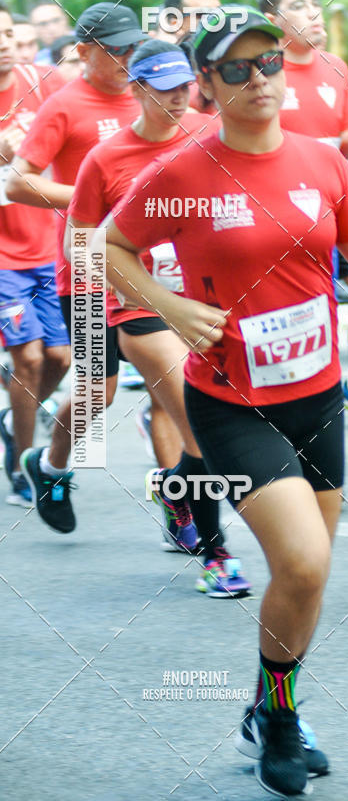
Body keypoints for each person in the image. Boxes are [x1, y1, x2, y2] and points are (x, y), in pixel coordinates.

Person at [102, 5, 348, 796]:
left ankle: (269, 705)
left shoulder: (322, 159)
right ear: (207, 83)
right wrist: (171, 308)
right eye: (237, 69)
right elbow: (107, 245)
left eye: (270, 61)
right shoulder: (181, 174)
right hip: (232, 402)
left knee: (306, 577)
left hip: (318, 397)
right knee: (303, 560)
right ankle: (279, 721)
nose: (260, 79)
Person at [64, 37, 248, 595]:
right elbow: (77, 243)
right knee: (198, 425)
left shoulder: (211, 133)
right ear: (138, 89)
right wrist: (122, 276)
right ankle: (217, 557)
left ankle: (175, 488)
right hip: (139, 308)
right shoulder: (107, 158)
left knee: (224, 424)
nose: (177, 97)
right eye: (164, 89)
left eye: (184, 86)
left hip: (209, 300)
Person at [5, 2, 144, 532]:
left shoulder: (150, 95)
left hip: (149, 270)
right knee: (95, 391)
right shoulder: (64, 104)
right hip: (84, 268)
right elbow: (19, 182)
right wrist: (97, 198)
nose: (128, 58)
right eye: (117, 50)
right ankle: (49, 467)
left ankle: (189, 512)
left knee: (172, 383)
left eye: (134, 47)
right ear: (84, 52)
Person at [257, 0, 348, 414]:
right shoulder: (261, 71)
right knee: (304, 313)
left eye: (315, 2)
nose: (314, 13)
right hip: (282, 215)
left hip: (335, 205)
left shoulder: (336, 66)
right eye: (298, 6)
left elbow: (343, 146)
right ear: (273, 20)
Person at [0, 2, 68, 506]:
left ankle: (13, 417)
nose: (3, 44)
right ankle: (24, 464)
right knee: (26, 357)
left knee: (60, 357)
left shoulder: (44, 82)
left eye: (7, 33)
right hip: (3, 257)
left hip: (49, 245)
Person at [29, 0, 71, 64]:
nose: (52, 29)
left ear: (66, 19)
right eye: (43, 24)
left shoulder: (86, 43)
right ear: (34, 29)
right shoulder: (36, 62)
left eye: (56, 20)